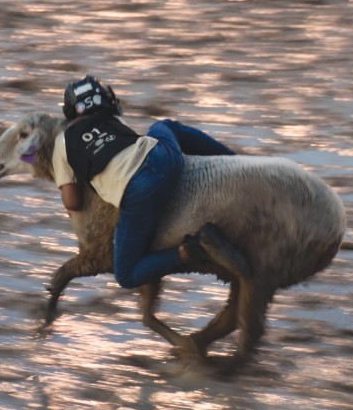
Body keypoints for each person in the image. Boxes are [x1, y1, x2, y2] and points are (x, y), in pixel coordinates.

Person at [53, 75, 235, 289]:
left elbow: (72, 202)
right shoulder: (115, 120)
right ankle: (234, 161)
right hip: (164, 158)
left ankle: (189, 251)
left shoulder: (62, 142)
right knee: (164, 125)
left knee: (126, 275)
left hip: (139, 191)